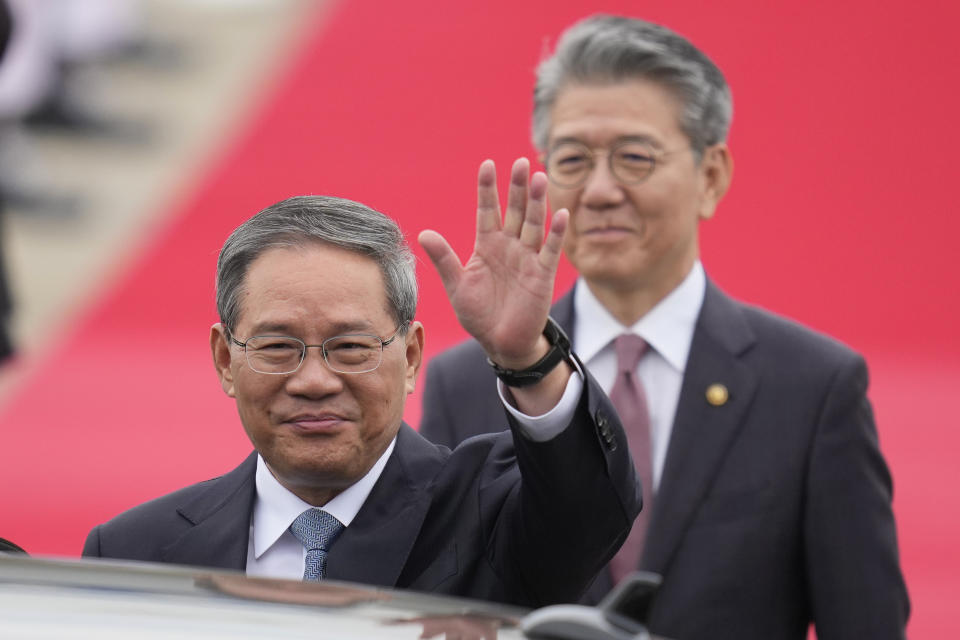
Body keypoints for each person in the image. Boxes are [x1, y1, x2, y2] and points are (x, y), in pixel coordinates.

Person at [419, 14, 909, 639]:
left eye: (634, 158)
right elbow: (441, 609)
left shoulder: (813, 387)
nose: (598, 190)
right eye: (572, 158)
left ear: (711, 176)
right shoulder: (469, 383)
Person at [82, 161, 642, 609]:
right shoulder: (135, 552)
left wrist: (526, 358)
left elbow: (586, 508)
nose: (314, 380)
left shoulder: (488, 513)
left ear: (411, 355)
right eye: (278, 347)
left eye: (350, 347)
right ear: (226, 359)